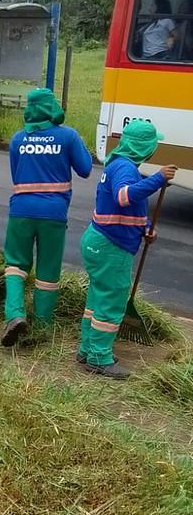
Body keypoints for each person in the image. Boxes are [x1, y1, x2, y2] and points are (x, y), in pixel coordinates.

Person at [77, 119, 176, 379]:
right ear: (145, 148)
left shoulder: (119, 165)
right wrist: (157, 179)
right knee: (111, 301)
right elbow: (124, 197)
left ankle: (87, 349)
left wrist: (144, 226)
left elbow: (127, 206)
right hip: (111, 246)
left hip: (99, 241)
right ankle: (99, 357)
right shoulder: (125, 168)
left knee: (97, 297)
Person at [0, 88, 92, 347]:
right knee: (48, 269)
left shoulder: (18, 139)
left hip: (21, 209)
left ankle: (15, 314)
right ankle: (41, 327)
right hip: (53, 212)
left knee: (16, 265)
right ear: (52, 108)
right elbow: (85, 169)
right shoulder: (68, 136)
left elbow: (16, 174)